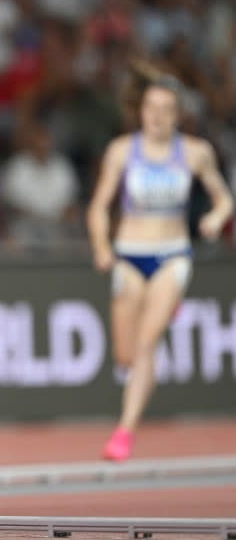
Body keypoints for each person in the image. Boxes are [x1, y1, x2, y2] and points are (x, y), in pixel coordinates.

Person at [87, 63, 233, 462]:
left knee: (148, 343)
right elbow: (99, 207)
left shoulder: (194, 152)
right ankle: (160, 306)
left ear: (177, 113)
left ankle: (124, 431)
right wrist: (101, 246)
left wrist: (216, 218)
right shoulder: (122, 151)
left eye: (166, 108)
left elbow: (224, 197)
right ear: (142, 111)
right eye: (151, 107)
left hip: (172, 255)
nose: (157, 116)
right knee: (125, 356)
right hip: (129, 256)